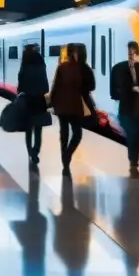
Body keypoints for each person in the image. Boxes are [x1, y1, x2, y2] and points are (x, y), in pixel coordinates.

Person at [110, 41, 139, 179]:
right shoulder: (118, 68)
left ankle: (134, 163)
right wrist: (124, 92)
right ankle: (133, 165)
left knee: (137, 136)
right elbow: (113, 89)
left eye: (134, 52)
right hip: (126, 107)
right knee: (132, 135)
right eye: (129, 52)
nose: (131, 55)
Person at [50, 43, 85, 178]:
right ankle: (67, 155)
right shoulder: (80, 69)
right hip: (74, 106)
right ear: (75, 54)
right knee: (77, 133)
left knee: (64, 133)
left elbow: (55, 86)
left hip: (62, 106)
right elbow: (88, 86)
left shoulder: (61, 68)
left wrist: (52, 103)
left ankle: (65, 160)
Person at [17, 44, 50, 174]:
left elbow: (20, 87)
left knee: (28, 130)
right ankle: (36, 150)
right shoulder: (42, 66)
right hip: (39, 101)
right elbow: (46, 87)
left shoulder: (24, 67)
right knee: (38, 129)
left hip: (28, 101)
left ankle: (30, 152)